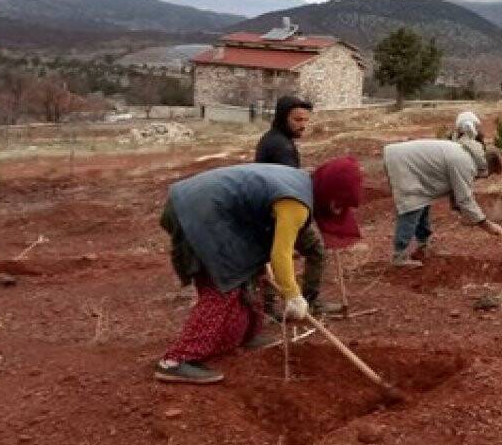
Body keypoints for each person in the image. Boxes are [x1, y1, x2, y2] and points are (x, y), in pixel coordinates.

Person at [154, 157, 362, 384]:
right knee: (224, 284)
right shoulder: (296, 204)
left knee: (248, 273)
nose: (338, 211)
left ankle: (246, 335)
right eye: (339, 205)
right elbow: (280, 254)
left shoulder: (301, 183)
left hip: (207, 208)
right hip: (198, 211)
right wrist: (293, 295)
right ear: (331, 196)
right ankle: (175, 361)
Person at [253, 96, 338, 316]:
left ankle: (270, 309)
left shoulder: (276, 139)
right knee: (313, 250)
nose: (303, 125)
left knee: (267, 255)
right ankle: (306, 302)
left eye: (306, 120)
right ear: (283, 118)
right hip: (279, 209)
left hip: (269, 207)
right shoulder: (280, 146)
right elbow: (288, 185)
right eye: (298, 119)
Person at [382, 138, 502, 268]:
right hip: (403, 163)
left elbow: (457, 193)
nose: (487, 177)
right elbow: (464, 198)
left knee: (421, 202)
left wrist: (465, 213)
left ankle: (423, 247)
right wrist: (487, 225)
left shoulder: (466, 156)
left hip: (404, 161)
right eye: (491, 174)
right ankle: (399, 256)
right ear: (488, 166)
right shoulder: (465, 163)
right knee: (412, 206)